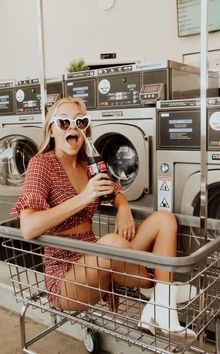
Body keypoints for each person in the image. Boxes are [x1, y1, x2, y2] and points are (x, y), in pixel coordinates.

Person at [11, 96, 196, 343]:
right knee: (111, 243)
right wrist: (84, 197)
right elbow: (28, 227)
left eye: (80, 121)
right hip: (67, 276)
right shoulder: (40, 165)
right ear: (51, 129)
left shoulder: (88, 163)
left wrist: (123, 207)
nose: (72, 127)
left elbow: (113, 191)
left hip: (99, 259)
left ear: (86, 128)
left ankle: (162, 305)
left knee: (164, 219)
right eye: (63, 122)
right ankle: (163, 295)